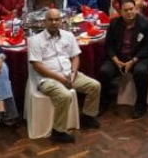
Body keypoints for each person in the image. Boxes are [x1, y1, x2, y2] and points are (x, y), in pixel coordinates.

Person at [28, 8, 101, 143]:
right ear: (44, 22)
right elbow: (37, 66)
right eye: (50, 20)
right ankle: (58, 132)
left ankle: (87, 116)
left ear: (61, 21)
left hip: (69, 74)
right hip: (47, 79)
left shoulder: (68, 36)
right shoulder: (35, 40)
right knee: (65, 96)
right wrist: (60, 79)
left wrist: (73, 73)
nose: (54, 23)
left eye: (57, 20)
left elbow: (75, 57)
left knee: (95, 86)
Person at [99, 0, 148, 119]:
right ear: (120, 11)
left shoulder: (145, 23)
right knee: (104, 71)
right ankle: (103, 102)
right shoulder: (114, 23)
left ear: (135, 9)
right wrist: (116, 60)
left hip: (138, 57)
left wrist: (133, 61)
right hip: (118, 58)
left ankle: (141, 106)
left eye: (131, 9)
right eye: (126, 10)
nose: (129, 12)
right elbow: (108, 45)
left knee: (141, 72)